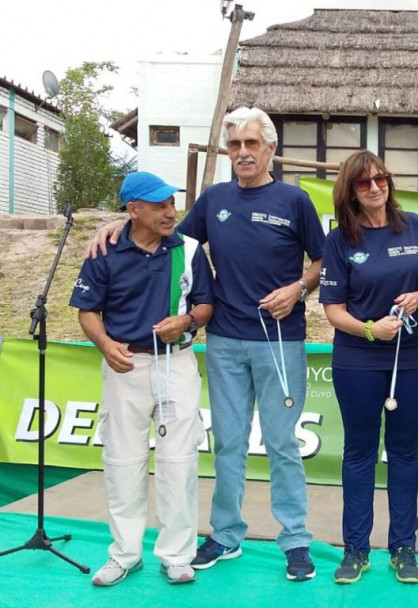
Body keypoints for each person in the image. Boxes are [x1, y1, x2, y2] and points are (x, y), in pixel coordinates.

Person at [87, 107, 325, 581]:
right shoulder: (214, 199)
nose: (242, 153)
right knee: (229, 444)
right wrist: (114, 224)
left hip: (281, 342)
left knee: (281, 443)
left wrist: (299, 289)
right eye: (234, 145)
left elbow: (322, 262)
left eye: (251, 144)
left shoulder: (295, 202)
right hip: (224, 341)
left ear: (271, 149)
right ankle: (226, 535)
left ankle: (295, 540)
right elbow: (162, 230)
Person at [70, 172, 214, 587]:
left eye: (172, 204)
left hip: (178, 364)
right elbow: (87, 310)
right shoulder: (104, 251)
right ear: (133, 210)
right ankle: (125, 554)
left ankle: (177, 555)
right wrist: (104, 345)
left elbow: (206, 304)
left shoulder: (188, 249)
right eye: (160, 206)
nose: (171, 212)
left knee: (179, 462)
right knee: (122, 462)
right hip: (125, 366)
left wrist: (187, 320)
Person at [319, 150, 418, 585]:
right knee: (360, 452)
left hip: (414, 355)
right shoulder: (339, 240)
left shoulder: (416, 226)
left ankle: (403, 547)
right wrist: (370, 330)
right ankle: (356, 549)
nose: (374, 187)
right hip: (359, 357)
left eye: (381, 179)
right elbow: (332, 308)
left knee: (404, 452)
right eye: (364, 182)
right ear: (350, 191)